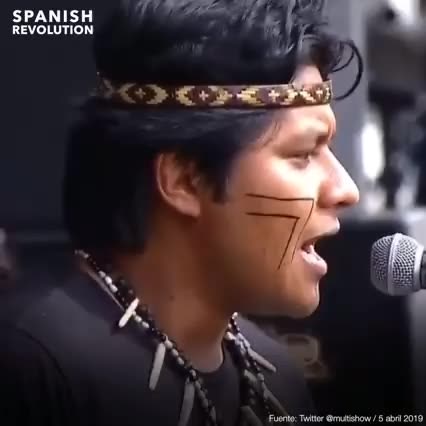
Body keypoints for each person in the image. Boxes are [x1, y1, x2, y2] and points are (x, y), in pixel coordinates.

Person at [0, 0, 362, 425]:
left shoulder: (279, 379)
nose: (346, 190)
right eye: (302, 154)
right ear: (184, 180)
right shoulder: (31, 365)